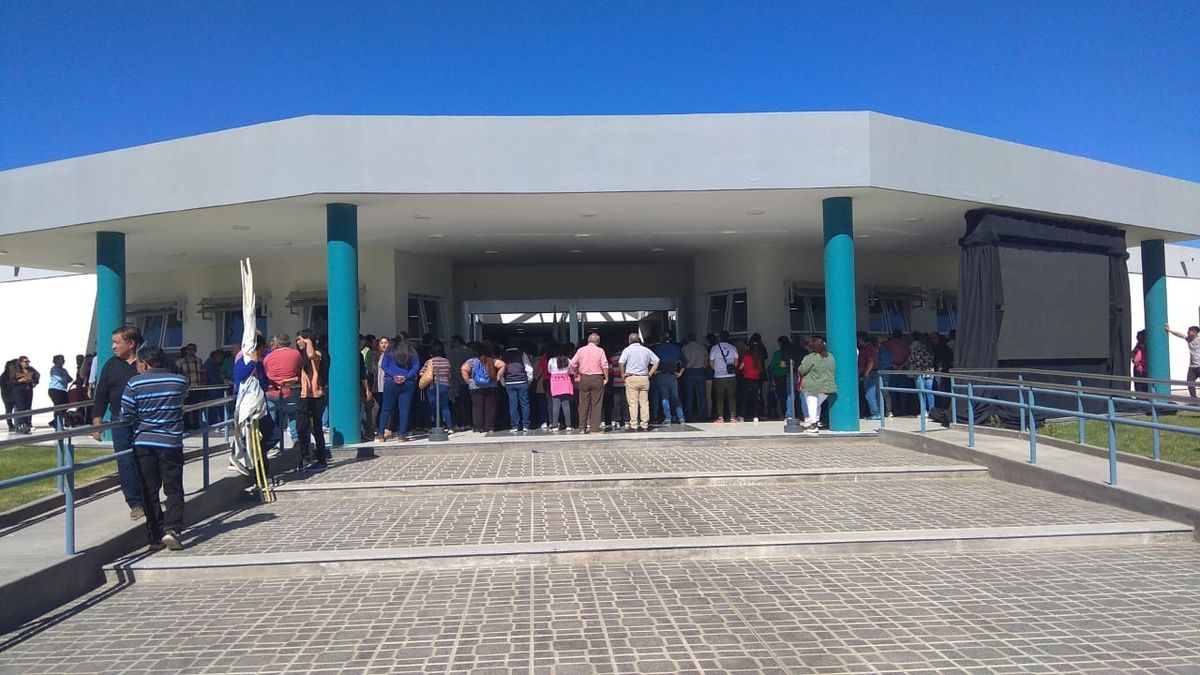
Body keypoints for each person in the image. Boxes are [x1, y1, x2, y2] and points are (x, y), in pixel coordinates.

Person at [120, 345, 189, 551]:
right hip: (171, 442)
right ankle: (173, 529)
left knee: (149, 490)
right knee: (174, 487)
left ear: (145, 363)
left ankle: (155, 535)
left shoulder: (134, 383)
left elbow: (126, 413)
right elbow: (182, 400)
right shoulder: (179, 381)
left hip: (144, 442)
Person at [91, 326, 146, 519]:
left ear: (130, 344)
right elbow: (101, 394)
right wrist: (97, 421)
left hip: (145, 421)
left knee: (146, 459)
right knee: (125, 461)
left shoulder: (146, 362)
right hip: (119, 420)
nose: (113, 346)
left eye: (117, 342)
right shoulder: (111, 365)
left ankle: (149, 497)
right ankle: (135, 503)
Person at [231, 333, 280, 481]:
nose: (264, 351)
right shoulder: (242, 363)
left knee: (272, 436)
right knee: (256, 437)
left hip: (260, 405)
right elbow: (240, 380)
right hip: (248, 407)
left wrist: (259, 373)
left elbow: (264, 385)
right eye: (262, 348)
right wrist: (252, 363)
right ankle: (246, 455)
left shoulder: (259, 364)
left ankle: (256, 461)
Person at [295, 329, 329, 469]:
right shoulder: (302, 356)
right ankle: (305, 456)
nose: (297, 342)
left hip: (317, 396)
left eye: (299, 339)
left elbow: (312, 355)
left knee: (316, 427)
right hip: (304, 395)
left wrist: (308, 341)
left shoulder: (319, 353)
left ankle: (321, 458)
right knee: (301, 426)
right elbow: (305, 375)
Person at [262, 334, 302, 451]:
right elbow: (299, 370)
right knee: (292, 415)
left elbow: (266, 373)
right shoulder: (296, 354)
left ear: (276, 344)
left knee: (272, 417)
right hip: (289, 390)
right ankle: (296, 439)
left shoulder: (268, 357)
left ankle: (270, 442)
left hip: (271, 392)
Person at [380, 338, 420, 441]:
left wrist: (394, 376)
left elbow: (384, 365)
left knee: (386, 408)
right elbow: (416, 367)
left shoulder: (390, 351)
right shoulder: (411, 351)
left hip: (391, 381)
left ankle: (381, 434)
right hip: (407, 382)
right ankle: (402, 434)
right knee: (404, 409)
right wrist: (405, 377)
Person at [569, 333, 609, 434]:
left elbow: (572, 363)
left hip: (584, 378)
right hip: (597, 378)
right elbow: (604, 365)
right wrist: (606, 377)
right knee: (596, 404)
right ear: (598, 342)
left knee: (583, 403)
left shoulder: (581, 350)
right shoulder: (600, 351)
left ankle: (582, 427)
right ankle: (594, 428)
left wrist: (576, 373)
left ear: (588, 340)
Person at [798, 337, 836, 433]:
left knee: (812, 404)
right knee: (817, 405)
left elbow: (802, 370)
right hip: (827, 386)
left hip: (812, 385)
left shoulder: (811, 357)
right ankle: (816, 420)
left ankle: (813, 425)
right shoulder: (830, 357)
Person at [461, 342, 499, 433]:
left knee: (477, 408)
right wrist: (498, 377)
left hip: (475, 386)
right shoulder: (492, 360)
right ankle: (489, 427)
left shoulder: (472, 361)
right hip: (490, 385)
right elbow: (502, 365)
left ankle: (478, 427)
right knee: (490, 407)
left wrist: (468, 380)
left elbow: (463, 369)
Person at [496, 342, 533, 433]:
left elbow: (501, 370)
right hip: (522, 381)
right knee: (524, 403)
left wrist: (503, 383)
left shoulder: (503, 355)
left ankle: (514, 426)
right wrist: (528, 381)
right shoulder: (522, 353)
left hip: (510, 382)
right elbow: (529, 368)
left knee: (513, 404)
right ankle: (526, 425)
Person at [421, 342, 453, 432]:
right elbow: (449, 374)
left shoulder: (429, 362)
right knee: (445, 406)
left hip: (432, 386)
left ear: (431, 353)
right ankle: (449, 426)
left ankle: (436, 425)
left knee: (433, 406)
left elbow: (422, 372)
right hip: (445, 385)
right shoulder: (446, 361)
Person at [708, 331, 738, 424]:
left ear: (719, 338)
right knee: (731, 397)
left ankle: (720, 418)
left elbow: (711, 363)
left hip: (718, 377)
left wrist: (717, 369)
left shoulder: (714, 348)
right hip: (731, 376)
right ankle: (733, 417)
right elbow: (736, 363)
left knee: (719, 397)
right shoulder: (733, 348)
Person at [174, 344, 205, 429]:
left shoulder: (199, 360)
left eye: (193, 349)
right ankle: (186, 425)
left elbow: (202, 372)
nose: (191, 351)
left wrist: (203, 383)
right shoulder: (180, 361)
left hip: (197, 387)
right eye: (189, 349)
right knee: (186, 408)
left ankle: (196, 424)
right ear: (186, 350)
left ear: (195, 350)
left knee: (196, 407)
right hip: (186, 388)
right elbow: (176, 373)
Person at [1164, 324, 1200, 397]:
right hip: (1192, 367)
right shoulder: (1188, 339)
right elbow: (1180, 335)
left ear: (1194, 332)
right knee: (1190, 383)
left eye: (1189, 332)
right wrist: (1170, 330)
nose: (1187, 333)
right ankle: (1194, 399)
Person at [447, 335, 474, 431]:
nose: (450, 344)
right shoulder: (470, 351)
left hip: (455, 382)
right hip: (468, 381)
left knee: (457, 404)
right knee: (468, 403)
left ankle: (460, 423)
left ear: (457, 342)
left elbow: (449, 368)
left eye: (452, 341)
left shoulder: (451, 353)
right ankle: (469, 422)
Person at [681, 334, 709, 422]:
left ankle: (689, 416)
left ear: (688, 339)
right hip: (700, 372)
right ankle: (703, 415)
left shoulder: (685, 348)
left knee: (689, 395)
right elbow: (706, 361)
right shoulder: (702, 347)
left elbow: (682, 362)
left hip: (689, 372)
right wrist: (703, 366)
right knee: (702, 395)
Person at [547, 348, 575, 431]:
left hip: (555, 383)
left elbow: (549, 370)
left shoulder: (551, 360)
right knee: (566, 405)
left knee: (556, 405)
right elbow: (571, 371)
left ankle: (555, 425)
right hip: (566, 383)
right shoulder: (568, 360)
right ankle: (568, 425)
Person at [737, 342, 764, 423]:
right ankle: (755, 416)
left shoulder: (746, 357)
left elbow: (741, 367)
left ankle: (742, 416)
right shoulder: (758, 358)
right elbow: (760, 370)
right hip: (756, 380)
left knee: (744, 398)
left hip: (747, 379)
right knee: (755, 399)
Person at [908, 332, 936, 413]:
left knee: (921, 393)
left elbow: (911, 359)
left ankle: (924, 411)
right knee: (930, 392)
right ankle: (932, 410)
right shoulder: (931, 350)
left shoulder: (918, 350)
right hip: (930, 372)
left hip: (919, 372)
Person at [47, 355, 72, 428]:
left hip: (63, 390)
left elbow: (69, 379)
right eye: (61, 359)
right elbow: (60, 379)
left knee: (66, 404)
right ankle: (57, 423)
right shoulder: (54, 369)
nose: (63, 361)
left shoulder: (64, 370)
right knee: (58, 406)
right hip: (55, 389)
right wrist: (65, 378)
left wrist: (66, 378)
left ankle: (55, 421)